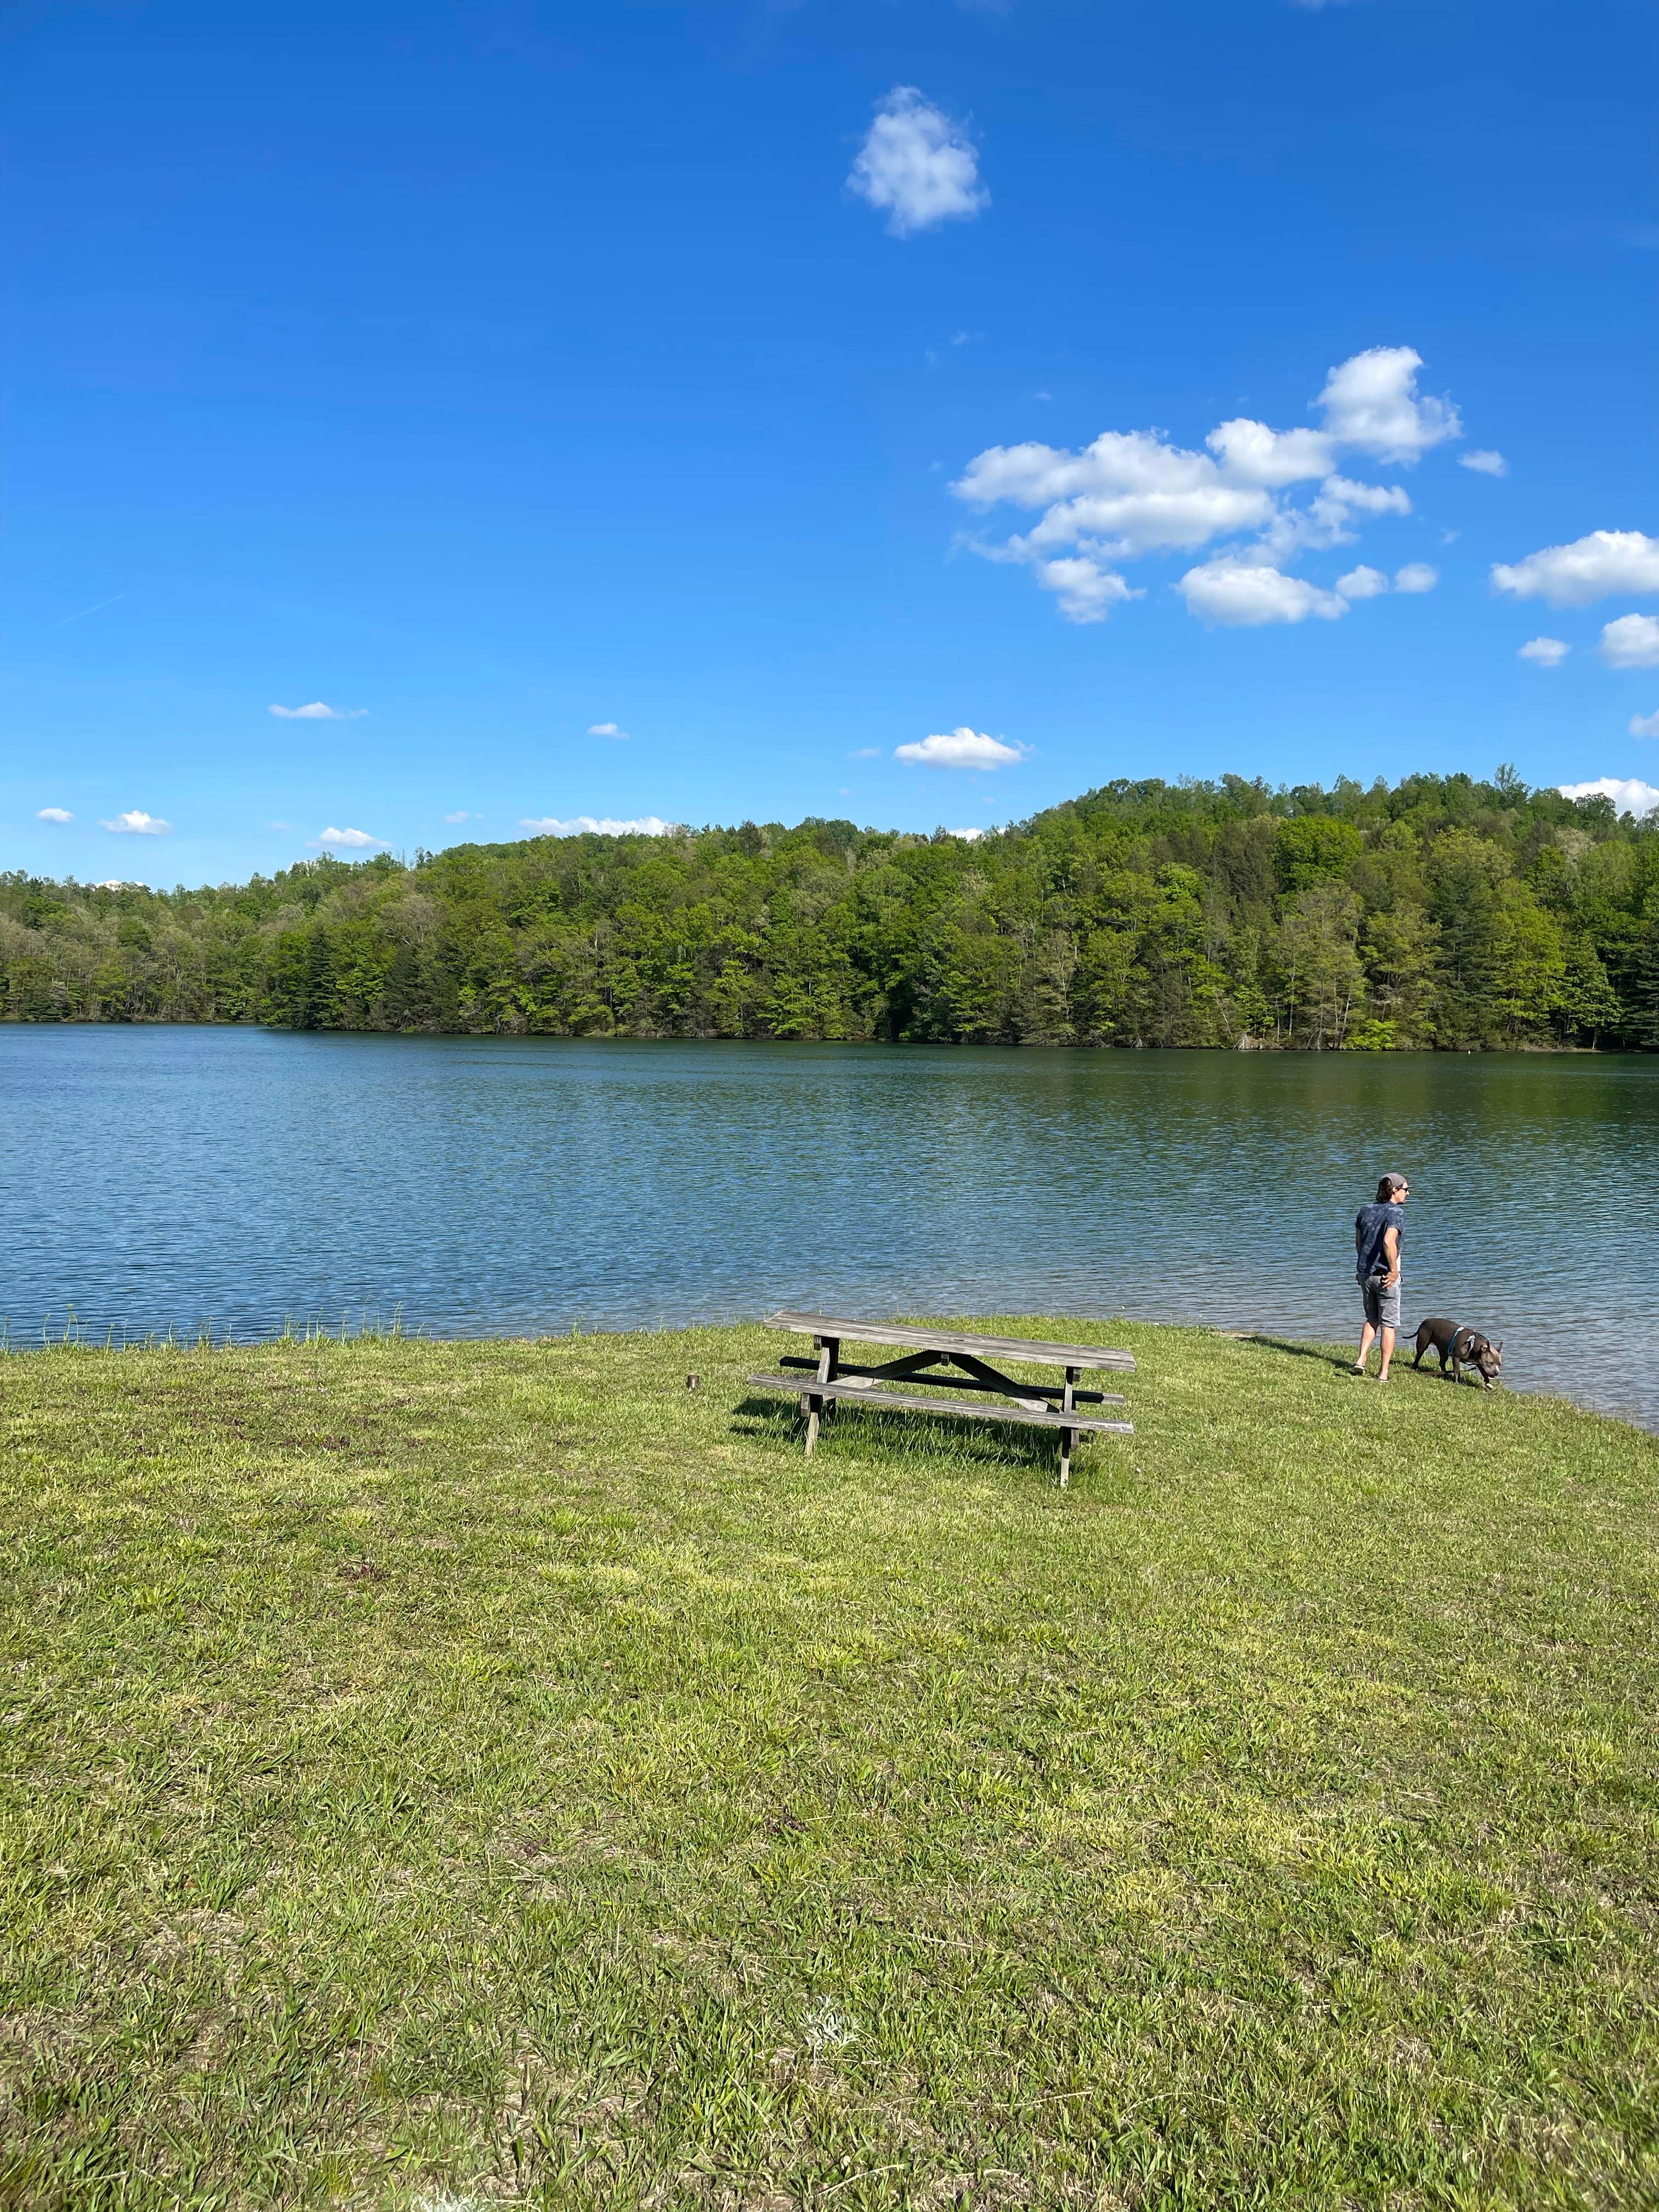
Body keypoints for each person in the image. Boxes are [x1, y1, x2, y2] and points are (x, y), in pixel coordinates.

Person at [1353, 1172, 1409, 1380]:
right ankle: (1383, 1373)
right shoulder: (1397, 1213)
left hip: (1366, 1274)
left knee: (1371, 1319)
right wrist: (1394, 1271)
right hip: (1386, 1276)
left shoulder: (1364, 1210)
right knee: (1389, 1324)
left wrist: (1364, 1267)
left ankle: (1361, 1360)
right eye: (1405, 1189)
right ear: (1394, 1190)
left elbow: (1359, 1243)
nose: (1408, 1193)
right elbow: (1388, 1241)